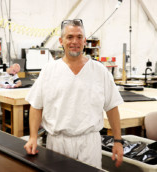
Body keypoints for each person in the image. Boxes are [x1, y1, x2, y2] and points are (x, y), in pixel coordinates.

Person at [24, 19, 124, 168]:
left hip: (89, 143)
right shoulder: (49, 71)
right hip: (57, 142)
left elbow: (112, 107)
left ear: (84, 41)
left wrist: (118, 140)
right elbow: (36, 106)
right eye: (69, 37)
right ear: (61, 41)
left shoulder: (99, 71)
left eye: (79, 37)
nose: (74, 42)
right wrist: (32, 137)